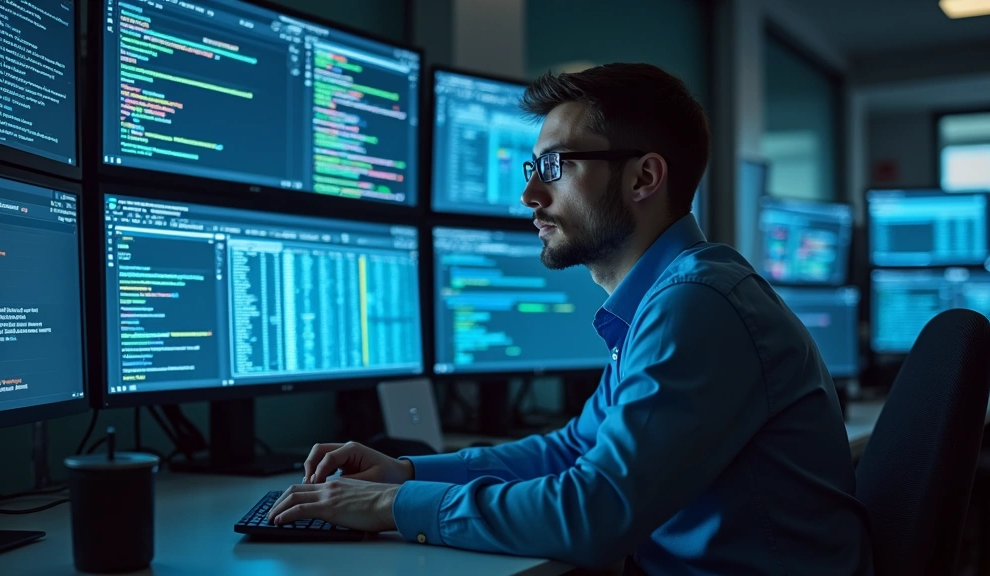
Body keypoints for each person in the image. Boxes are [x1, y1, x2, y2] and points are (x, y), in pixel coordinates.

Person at [267, 62, 873, 575]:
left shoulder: (698, 303)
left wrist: (391, 506)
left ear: (644, 177)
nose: (531, 196)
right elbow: (572, 452)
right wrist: (405, 470)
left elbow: (594, 513)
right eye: (532, 170)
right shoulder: (669, 296)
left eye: (555, 167)